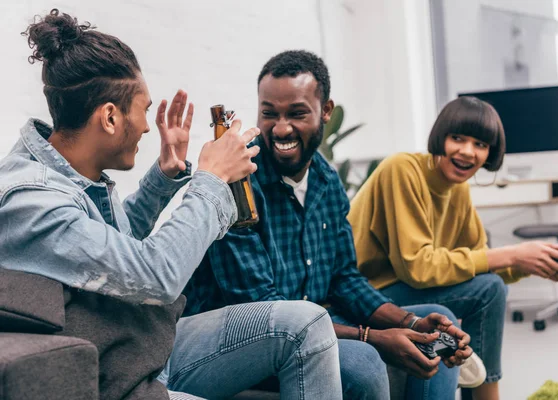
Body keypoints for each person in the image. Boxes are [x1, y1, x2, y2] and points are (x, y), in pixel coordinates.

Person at [0, 10, 344, 400]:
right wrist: (211, 181)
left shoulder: (69, 174)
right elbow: (155, 276)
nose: (148, 127)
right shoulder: (30, 202)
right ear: (110, 117)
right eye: (144, 110)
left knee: (308, 322)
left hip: (146, 342)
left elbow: (109, 250)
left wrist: (163, 178)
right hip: (121, 366)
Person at [182, 50, 473, 400]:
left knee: (439, 322)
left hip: (314, 321)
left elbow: (345, 279)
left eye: (297, 113)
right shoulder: (237, 186)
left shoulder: (325, 179)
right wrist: (373, 337)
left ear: (326, 112)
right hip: (248, 339)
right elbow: (264, 312)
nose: (281, 128)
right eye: (269, 113)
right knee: (362, 361)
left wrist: (409, 324)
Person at [348, 96, 558, 400]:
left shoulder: (458, 191)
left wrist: (530, 263)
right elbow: (418, 267)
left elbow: (479, 264)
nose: (468, 151)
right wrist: (513, 254)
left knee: (490, 288)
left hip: (397, 289)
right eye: (458, 138)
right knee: (476, 298)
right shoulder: (401, 169)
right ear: (440, 137)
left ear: (489, 154)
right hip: (363, 297)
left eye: (480, 144)